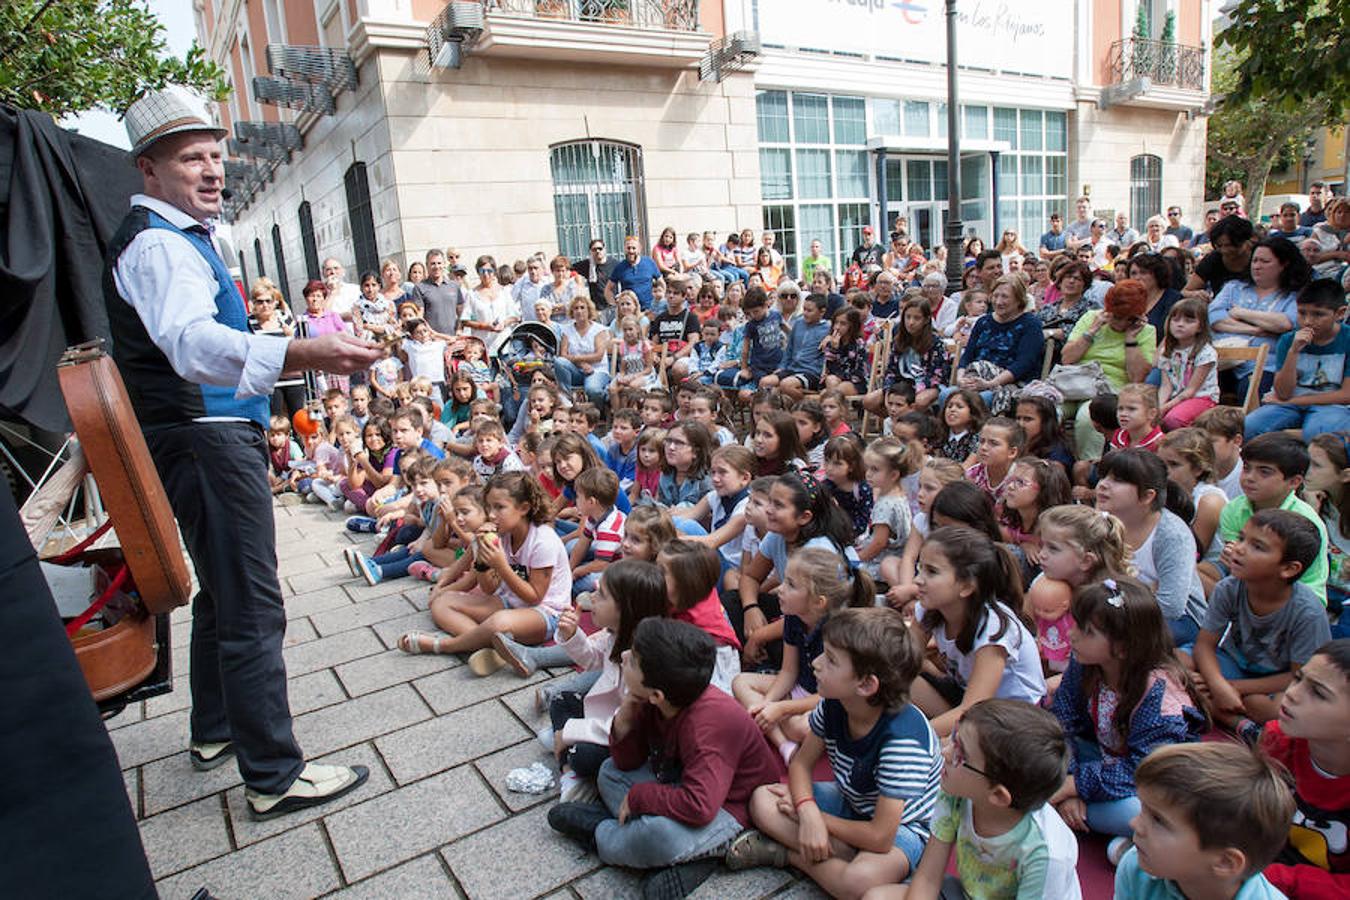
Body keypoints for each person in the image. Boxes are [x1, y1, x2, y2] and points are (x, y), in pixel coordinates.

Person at [106, 90, 381, 818]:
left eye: (216, 156)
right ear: (149, 170)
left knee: (225, 594)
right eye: (191, 157)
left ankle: (215, 731)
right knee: (254, 604)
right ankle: (272, 775)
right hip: (204, 437)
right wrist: (300, 347)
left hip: (203, 437)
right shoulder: (161, 243)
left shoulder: (177, 237)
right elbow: (192, 346)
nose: (211, 170)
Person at [547, 618, 786, 898]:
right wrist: (625, 717)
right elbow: (626, 763)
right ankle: (678, 851)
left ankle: (604, 832)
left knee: (660, 836)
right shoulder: (653, 697)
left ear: (658, 694)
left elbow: (700, 806)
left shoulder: (707, 725)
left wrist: (640, 798)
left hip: (731, 806)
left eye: (633, 659)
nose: (623, 656)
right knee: (608, 772)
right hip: (681, 783)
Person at [730, 607, 941, 895]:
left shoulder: (903, 741)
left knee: (860, 882)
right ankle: (834, 851)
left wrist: (817, 819)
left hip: (903, 829)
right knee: (761, 800)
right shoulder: (834, 704)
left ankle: (792, 856)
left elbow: (881, 836)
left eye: (830, 660)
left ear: (866, 684)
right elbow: (801, 764)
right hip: (851, 802)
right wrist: (807, 809)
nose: (815, 663)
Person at [1049, 578, 1208, 860]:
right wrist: (1071, 779)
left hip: (1149, 781)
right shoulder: (1085, 662)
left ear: (1122, 647)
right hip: (1097, 757)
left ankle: (1131, 832)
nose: (1072, 636)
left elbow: (1144, 769)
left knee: (1133, 811)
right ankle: (1124, 836)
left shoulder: (1159, 693)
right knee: (1037, 747)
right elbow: (1064, 720)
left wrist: (1073, 786)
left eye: (1086, 631)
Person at [872, 700, 1081, 900]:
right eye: (954, 737)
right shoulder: (956, 790)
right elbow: (928, 878)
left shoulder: (1045, 855)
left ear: (998, 795)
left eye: (960, 754)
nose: (945, 752)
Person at [908, 526, 1046, 737]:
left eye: (932, 571)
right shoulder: (929, 609)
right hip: (969, 699)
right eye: (920, 568)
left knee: (951, 748)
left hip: (1014, 720)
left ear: (966, 587)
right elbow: (902, 666)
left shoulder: (993, 629)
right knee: (900, 683)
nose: (918, 579)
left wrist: (910, 736)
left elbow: (973, 708)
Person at [1114, 742, 1294, 900]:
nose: (1134, 824)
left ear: (1225, 862)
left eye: (1158, 820)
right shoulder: (1137, 868)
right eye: (1143, 809)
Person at [1260, 638, 1350, 897]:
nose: (1292, 693)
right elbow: (1248, 813)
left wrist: (1276, 879)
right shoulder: (1277, 739)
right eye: (1298, 679)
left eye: (1319, 693)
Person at [1095, 449, 1209, 646]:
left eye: (1118, 480)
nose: (1103, 484)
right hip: (1117, 607)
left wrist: (1119, 597)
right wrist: (1145, 590)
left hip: (1179, 620)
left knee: (1107, 637)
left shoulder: (1172, 534)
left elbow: (1171, 606)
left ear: (1148, 496)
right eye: (1103, 476)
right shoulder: (1101, 522)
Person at [1217, 432, 1330, 603]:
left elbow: (1311, 586)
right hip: (1248, 590)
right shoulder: (1234, 509)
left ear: (1294, 482)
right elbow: (1235, 568)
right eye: (1246, 467)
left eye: (1264, 472)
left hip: (1298, 603)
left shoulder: (1307, 522)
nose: (1249, 477)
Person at [1062, 279, 1157, 459]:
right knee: (1045, 408)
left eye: (1127, 319)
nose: (1120, 323)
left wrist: (1131, 339)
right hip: (1074, 383)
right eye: (1116, 316)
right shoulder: (1091, 317)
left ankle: (1090, 467)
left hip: (1111, 388)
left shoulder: (1146, 331)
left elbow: (1137, 378)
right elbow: (1067, 358)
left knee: (1088, 418)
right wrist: (1092, 330)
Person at [1244, 279, 1350, 438]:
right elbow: (1283, 392)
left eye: (1318, 314)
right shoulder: (1289, 340)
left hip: (1330, 405)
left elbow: (1345, 395)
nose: (1307, 321)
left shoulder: (1347, 339)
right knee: (1249, 426)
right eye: (1301, 313)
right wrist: (1293, 352)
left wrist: (1293, 401)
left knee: (1321, 434)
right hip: (1288, 405)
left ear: (1340, 313)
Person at [949, 276, 1046, 411]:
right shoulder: (983, 322)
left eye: (1005, 297)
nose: (998, 301)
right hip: (975, 378)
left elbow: (1023, 364)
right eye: (995, 296)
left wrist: (990, 383)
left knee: (976, 400)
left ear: (1018, 300)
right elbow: (967, 356)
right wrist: (960, 379)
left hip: (1009, 383)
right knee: (946, 395)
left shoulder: (1030, 324)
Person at [411, 248, 464, 335]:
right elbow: (419, 318)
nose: (436, 267)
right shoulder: (419, 288)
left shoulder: (454, 286)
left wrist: (459, 329)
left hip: (454, 338)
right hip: (432, 340)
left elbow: (461, 313)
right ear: (427, 265)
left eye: (439, 263)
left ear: (444, 265)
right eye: (433, 264)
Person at [607, 235, 662, 312]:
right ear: (624, 249)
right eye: (628, 248)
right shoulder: (620, 267)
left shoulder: (649, 263)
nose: (631, 251)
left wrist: (660, 300)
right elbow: (608, 289)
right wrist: (614, 305)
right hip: (629, 311)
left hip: (649, 310)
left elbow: (661, 282)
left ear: (639, 249)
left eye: (634, 248)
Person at [573, 237, 617, 315]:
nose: (597, 251)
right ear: (591, 252)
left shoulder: (614, 264)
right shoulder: (587, 265)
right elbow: (568, 268)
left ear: (605, 250)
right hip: (596, 309)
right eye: (594, 249)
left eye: (600, 248)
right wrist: (577, 279)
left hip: (613, 306)